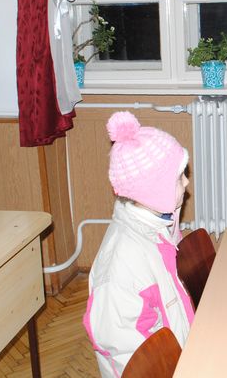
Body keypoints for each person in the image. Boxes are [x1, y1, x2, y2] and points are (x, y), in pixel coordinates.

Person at [83, 111, 194, 378]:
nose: (187, 182)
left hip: (183, 358)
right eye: (179, 177)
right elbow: (127, 352)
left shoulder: (159, 226)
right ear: (155, 191)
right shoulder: (121, 265)